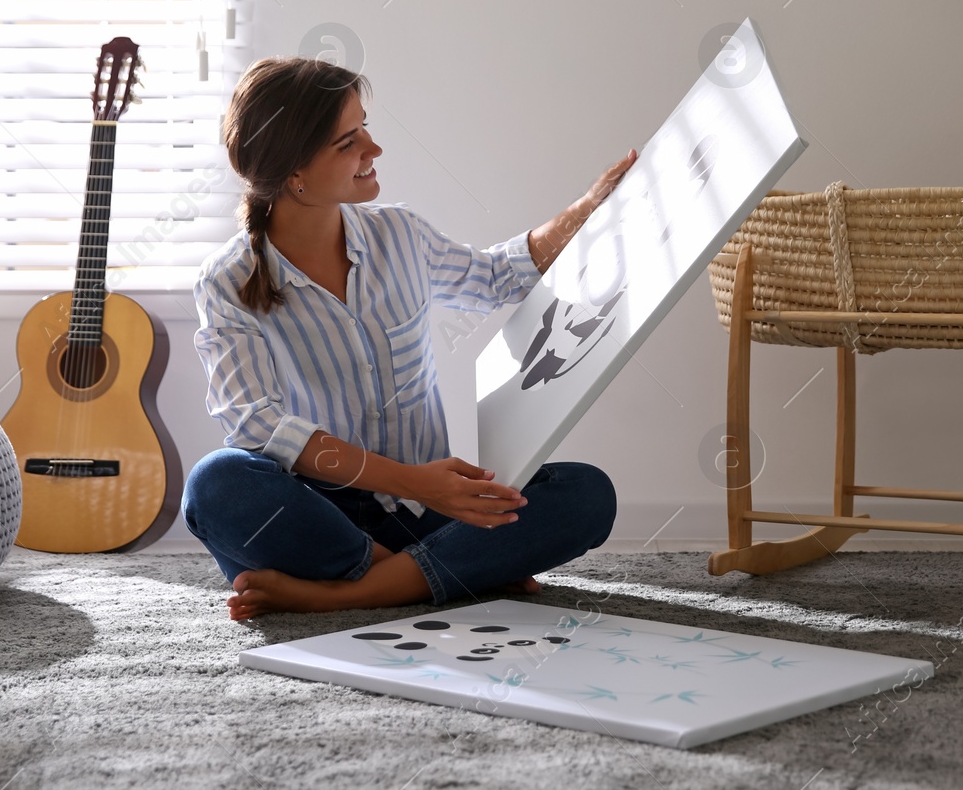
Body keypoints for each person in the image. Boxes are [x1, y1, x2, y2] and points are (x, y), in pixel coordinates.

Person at [181, 56, 637, 618]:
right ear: (295, 173)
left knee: (585, 494)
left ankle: (350, 592)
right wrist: (421, 484)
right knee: (215, 485)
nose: (373, 149)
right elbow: (256, 424)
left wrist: (587, 210)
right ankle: (443, 570)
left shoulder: (401, 235)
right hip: (314, 517)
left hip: (424, 512)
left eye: (365, 127)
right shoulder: (226, 281)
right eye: (348, 142)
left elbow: (498, 277)